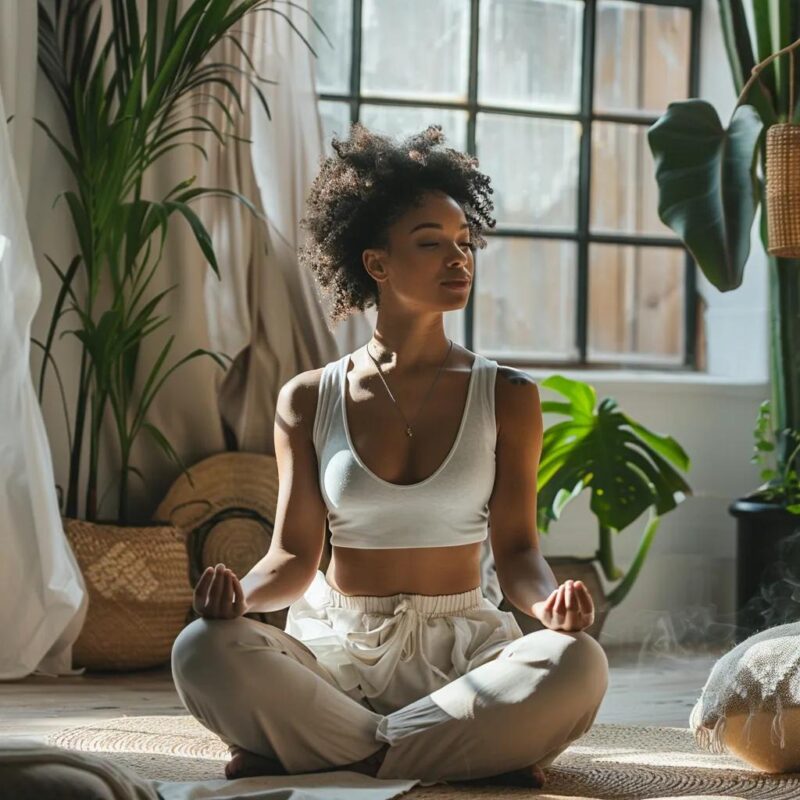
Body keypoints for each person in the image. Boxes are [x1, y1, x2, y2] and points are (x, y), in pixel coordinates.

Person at [171, 123, 609, 789]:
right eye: (431, 244)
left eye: (464, 243)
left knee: (579, 663)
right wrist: (238, 598)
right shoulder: (307, 399)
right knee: (201, 647)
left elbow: (518, 553)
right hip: (336, 658)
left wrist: (550, 607)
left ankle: (327, 752)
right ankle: (450, 752)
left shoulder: (510, 396)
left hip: (467, 661)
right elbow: (292, 559)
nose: (458, 259)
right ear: (376, 263)